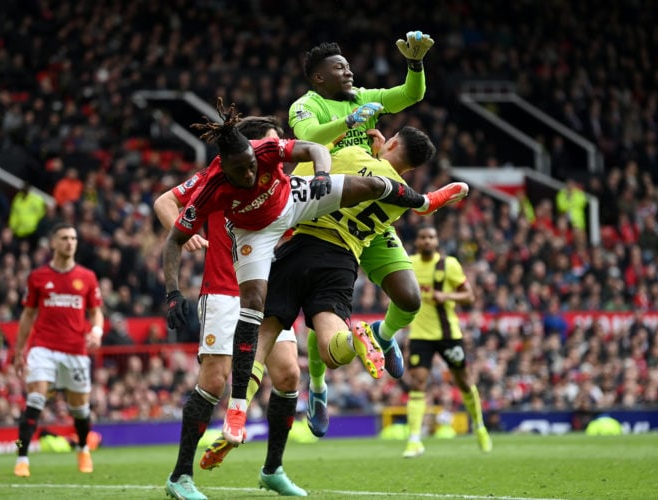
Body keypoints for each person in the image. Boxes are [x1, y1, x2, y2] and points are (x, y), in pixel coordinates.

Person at [162, 98, 457, 449]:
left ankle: (423, 203)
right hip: (259, 236)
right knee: (255, 307)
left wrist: (320, 175)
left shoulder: (270, 149)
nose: (248, 175)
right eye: (238, 172)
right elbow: (174, 238)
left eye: (251, 166)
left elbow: (316, 148)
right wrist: (173, 292)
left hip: (294, 206)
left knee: (372, 186)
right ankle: (239, 411)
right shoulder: (209, 187)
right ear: (221, 166)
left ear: (257, 152)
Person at [288, 31, 439, 433]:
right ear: (319, 77)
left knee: (409, 298)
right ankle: (317, 389)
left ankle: (383, 334)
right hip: (326, 211)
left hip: (370, 209)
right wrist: (346, 122)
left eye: (349, 65)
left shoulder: (364, 97)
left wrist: (416, 64)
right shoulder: (306, 105)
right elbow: (307, 139)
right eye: (339, 67)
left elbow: (410, 96)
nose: (349, 71)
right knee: (324, 312)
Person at [156, 115, 306, 499]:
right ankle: (180, 476)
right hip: (224, 287)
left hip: (266, 290)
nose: (275, 152)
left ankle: (272, 469)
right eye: (269, 143)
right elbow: (164, 201)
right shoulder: (216, 177)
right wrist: (182, 232)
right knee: (214, 380)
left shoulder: (273, 177)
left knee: (289, 375)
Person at [12, 222, 104, 477]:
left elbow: (96, 313)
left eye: (73, 238)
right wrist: (19, 351)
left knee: (80, 410)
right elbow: (27, 315)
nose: (70, 242)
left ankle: (84, 448)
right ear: (53, 242)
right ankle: (21, 456)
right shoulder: (38, 277)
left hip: (75, 350)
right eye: (64, 238)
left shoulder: (87, 277)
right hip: (43, 347)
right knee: (35, 400)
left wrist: (96, 331)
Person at [403, 224, 492, 458]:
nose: (427, 241)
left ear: (437, 242)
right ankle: (414, 439)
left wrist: (447, 296)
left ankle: (479, 426)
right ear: (417, 242)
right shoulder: (408, 264)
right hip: (420, 335)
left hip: (448, 335)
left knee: (463, 382)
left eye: (431, 237)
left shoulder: (448, 264)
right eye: (423, 237)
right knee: (417, 383)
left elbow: (470, 296)